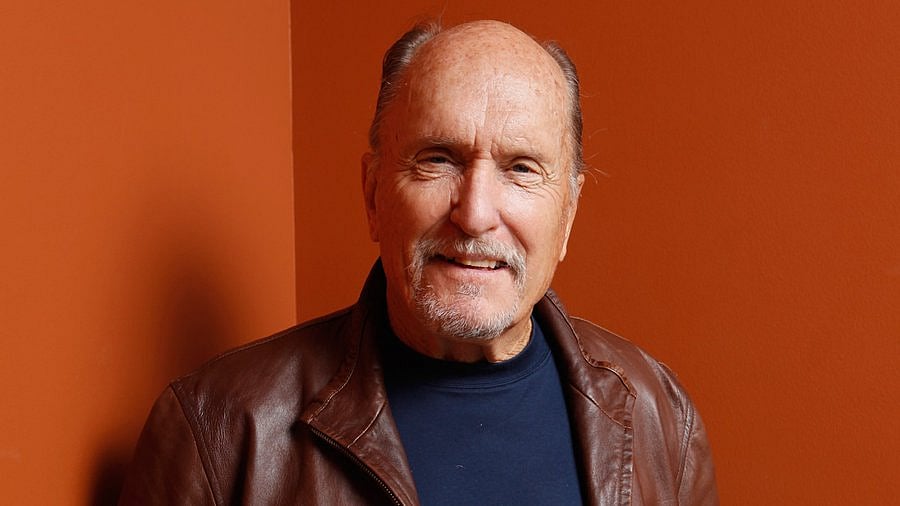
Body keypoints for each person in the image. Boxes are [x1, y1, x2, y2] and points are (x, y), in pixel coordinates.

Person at [119, 20, 718, 505]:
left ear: (568, 214)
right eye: (438, 159)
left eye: (521, 169)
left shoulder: (661, 416)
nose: (476, 213)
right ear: (374, 193)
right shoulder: (217, 431)